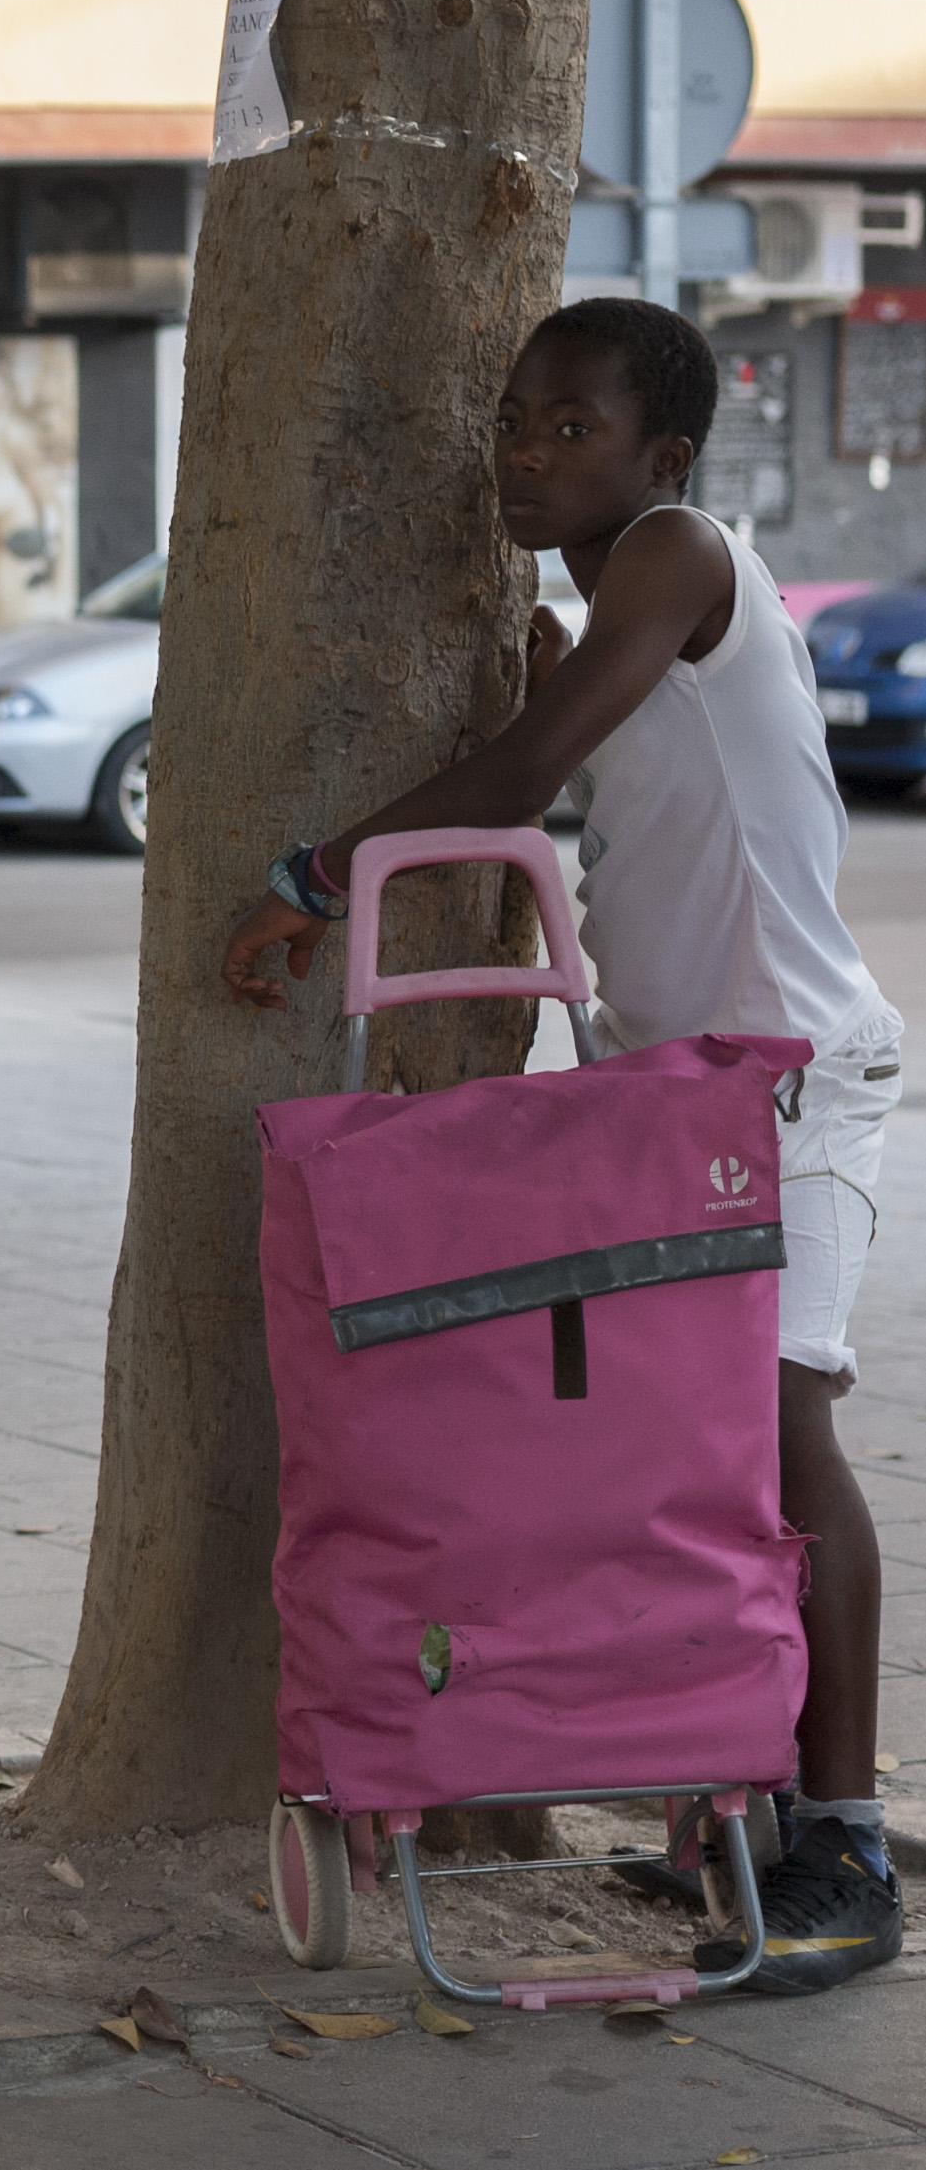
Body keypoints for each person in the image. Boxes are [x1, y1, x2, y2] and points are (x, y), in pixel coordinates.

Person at [223, 296, 901, 1996]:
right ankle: (730, 1785)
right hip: (671, 1079)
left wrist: (312, 880)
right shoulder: (602, 597)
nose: (525, 450)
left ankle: (843, 1828)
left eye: (568, 425)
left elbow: (517, 768)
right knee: (681, 1446)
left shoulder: (672, 551)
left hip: (795, 1067)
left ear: (659, 456)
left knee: (775, 1423)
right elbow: (549, 790)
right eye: (514, 420)